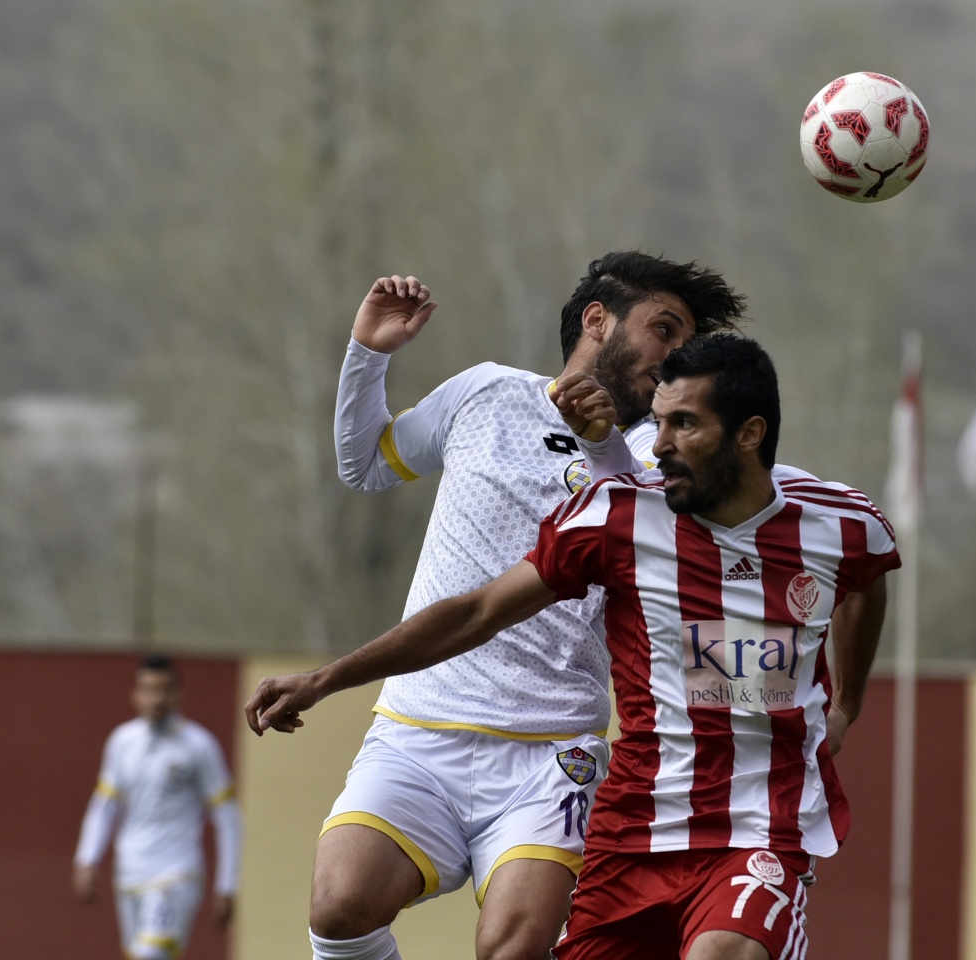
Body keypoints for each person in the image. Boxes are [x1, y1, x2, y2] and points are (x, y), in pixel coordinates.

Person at [247, 334, 897, 960]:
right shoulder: (618, 517)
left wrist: (848, 705)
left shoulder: (839, 522)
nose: (660, 445)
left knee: (722, 952)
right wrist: (327, 679)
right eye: (660, 422)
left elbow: (866, 586)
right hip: (635, 831)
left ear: (749, 434)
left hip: (761, 823)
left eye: (685, 426)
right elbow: (475, 614)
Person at [311, 253, 746, 960]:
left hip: (552, 753)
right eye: (663, 329)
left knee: (513, 949)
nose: (675, 355)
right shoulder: (485, 393)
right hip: (419, 730)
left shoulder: (665, 452)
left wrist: (604, 444)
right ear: (598, 321)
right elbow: (365, 465)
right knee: (339, 908)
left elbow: (644, 533)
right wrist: (367, 353)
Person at [74, 654, 243, 960]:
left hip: (176, 874)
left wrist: (227, 885)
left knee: (151, 955)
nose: (157, 698)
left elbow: (228, 817)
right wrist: (87, 858)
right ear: (134, 694)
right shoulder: (122, 742)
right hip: (129, 872)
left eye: (165, 689)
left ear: (180, 693)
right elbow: (105, 804)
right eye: (149, 689)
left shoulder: (198, 746)